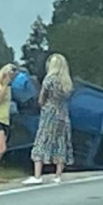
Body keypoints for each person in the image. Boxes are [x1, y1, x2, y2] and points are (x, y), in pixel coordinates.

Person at [22, 53, 74, 185]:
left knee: (42, 141)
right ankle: (58, 176)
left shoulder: (49, 80)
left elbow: (41, 99)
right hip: (62, 114)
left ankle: (37, 175)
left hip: (49, 113)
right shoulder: (66, 82)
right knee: (61, 142)